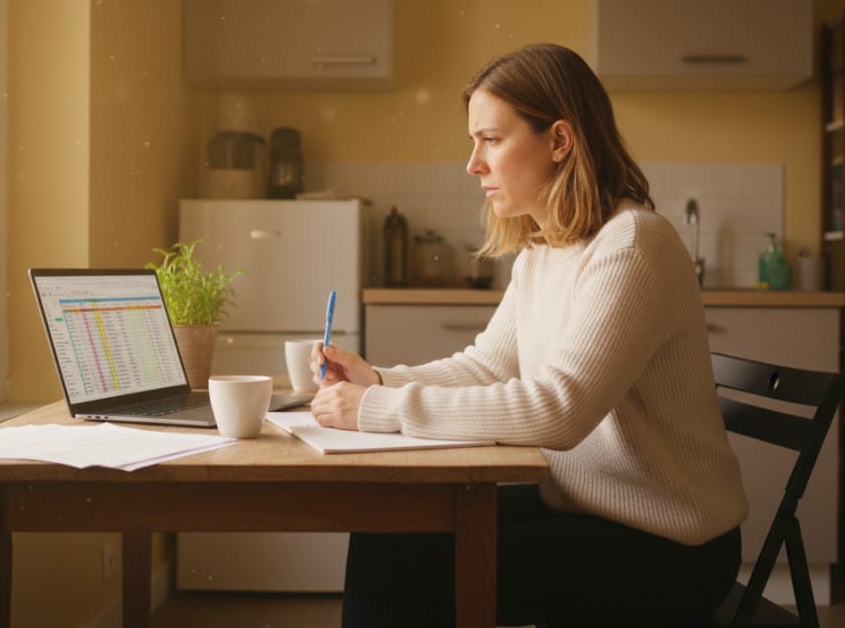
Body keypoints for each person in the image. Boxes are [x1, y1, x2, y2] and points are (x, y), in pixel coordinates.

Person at [309, 43, 748, 628]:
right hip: (584, 509)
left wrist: (380, 408)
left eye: (490, 139)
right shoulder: (546, 250)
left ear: (559, 142)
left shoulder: (632, 244)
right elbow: (488, 365)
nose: (473, 163)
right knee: (390, 531)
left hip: (667, 544)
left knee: (412, 577)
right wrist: (381, 379)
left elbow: (559, 411)